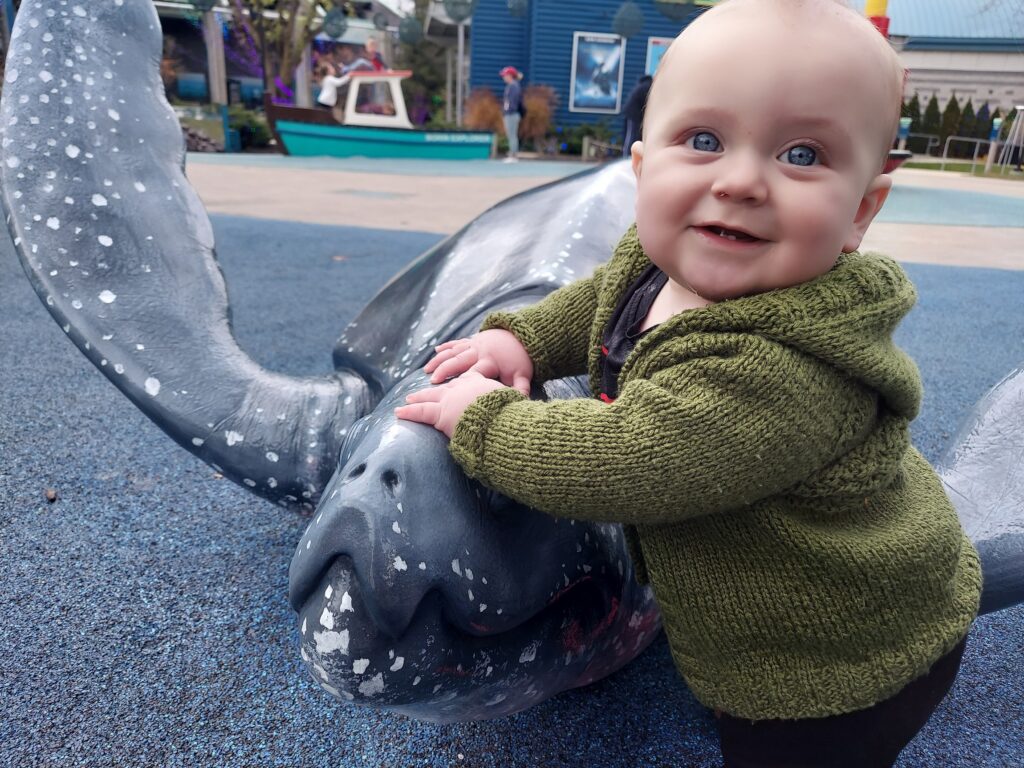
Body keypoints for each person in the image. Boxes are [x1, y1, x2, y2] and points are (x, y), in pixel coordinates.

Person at [395, 1, 982, 765]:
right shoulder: (657, 254)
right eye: (704, 140)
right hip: (773, 598)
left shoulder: (782, 372)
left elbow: (625, 459)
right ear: (642, 167)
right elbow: (604, 299)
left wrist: (488, 421)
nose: (740, 181)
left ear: (860, 212)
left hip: (842, 654)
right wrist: (523, 340)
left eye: (802, 155)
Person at [622, 74, 653, 157]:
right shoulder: (647, 87)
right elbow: (647, 104)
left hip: (631, 113)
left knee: (630, 135)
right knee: (631, 135)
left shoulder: (642, 85)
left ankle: (627, 155)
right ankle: (626, 156)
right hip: (633, 114)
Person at [499, 66, 525, 163]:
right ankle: (512, 154)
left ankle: (513, 156)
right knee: (510, 135)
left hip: (512, 114)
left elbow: (513, 102)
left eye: (505, 75)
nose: (503, 77)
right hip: (509, 113)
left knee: (512, 135)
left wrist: (509, 111)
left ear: (510, 76)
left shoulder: (514, 86)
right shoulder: (510, 86)